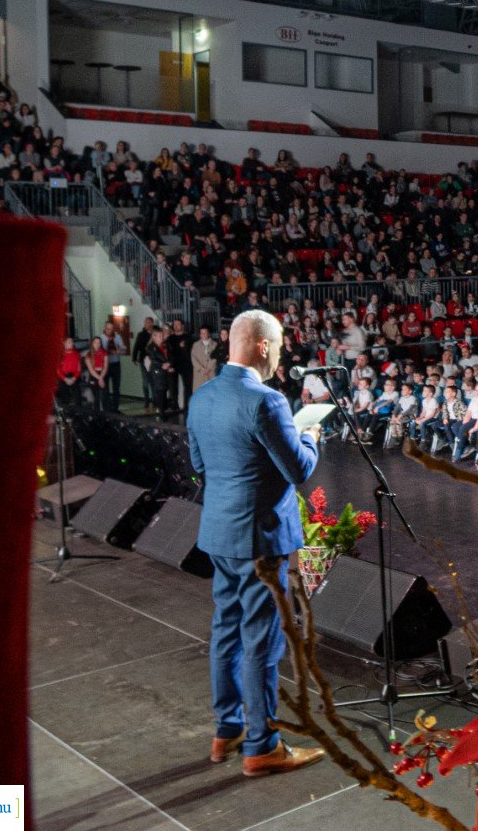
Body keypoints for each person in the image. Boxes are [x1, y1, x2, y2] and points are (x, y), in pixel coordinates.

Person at [187, 310, 325, 777]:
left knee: (226, 631)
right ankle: (262, 745)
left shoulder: (202, 397)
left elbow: (200, 465)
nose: (282, 352)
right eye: (281, 344)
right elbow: (299, 470)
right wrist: (310, 436)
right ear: (263, 346)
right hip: (260, 539)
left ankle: (226, 730)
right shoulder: (267, 401)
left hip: (220, 533)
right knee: (261, 641)